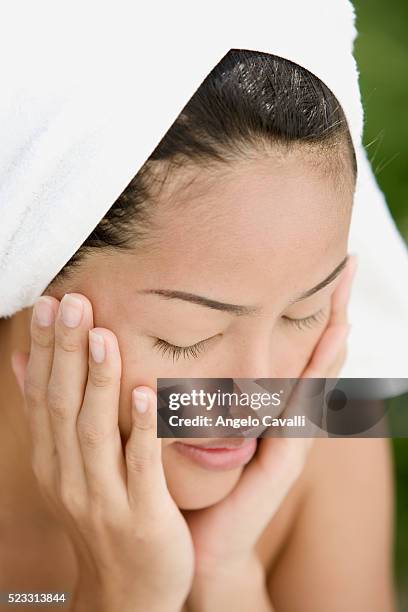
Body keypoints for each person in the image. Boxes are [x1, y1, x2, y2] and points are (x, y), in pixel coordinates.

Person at [1, 50, 394, 611]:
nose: (260, 394)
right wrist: (129, 595)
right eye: (185, 337)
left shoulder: (324, 431)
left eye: (303, 312)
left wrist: (228, 581)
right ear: (27, 280)